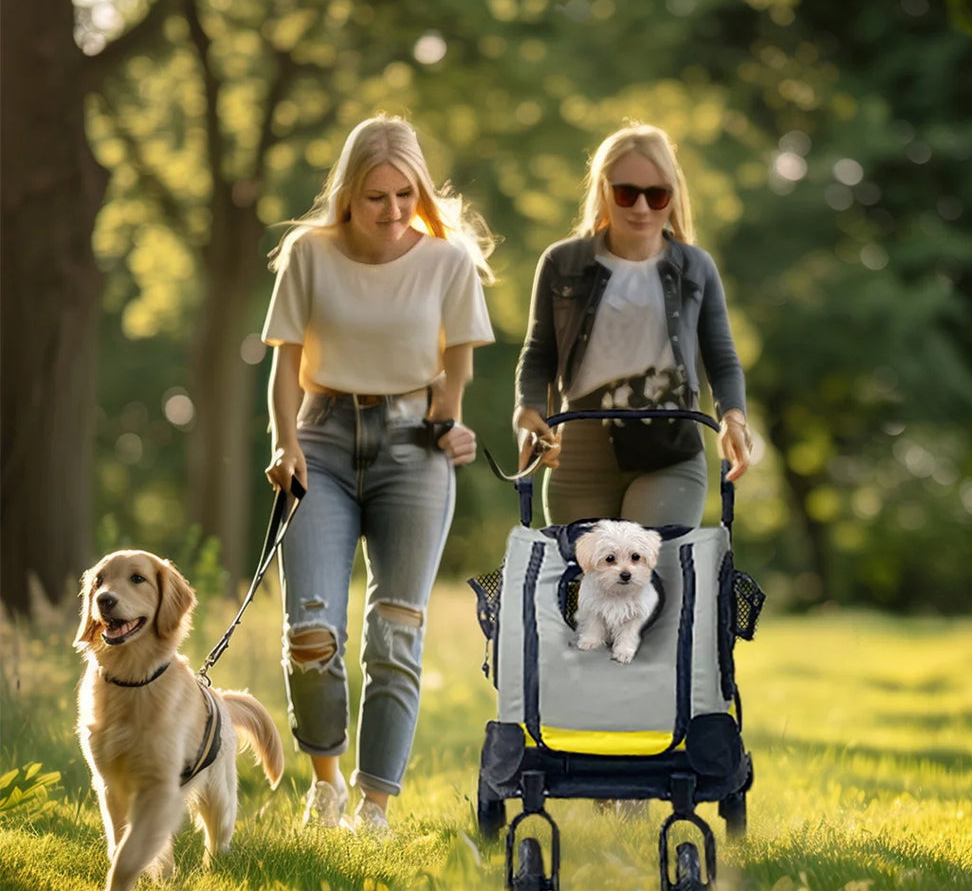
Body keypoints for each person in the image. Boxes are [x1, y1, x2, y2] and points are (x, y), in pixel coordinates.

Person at [261, 114, 495, 833]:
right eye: (375, 197)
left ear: (419, 190)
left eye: (405, 195)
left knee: (396, 632)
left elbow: (458, 359)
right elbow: (284, 365)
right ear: (348, 197)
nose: (392, 212)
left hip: (412, 452)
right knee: (311, 633)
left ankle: (375, 805)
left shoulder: (447, 263)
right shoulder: (310, 254)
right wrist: (284, 443)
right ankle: (325, 782)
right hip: (321, 442)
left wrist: (450, 419)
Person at [514, 121, 751, 531]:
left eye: (656, 195)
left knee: (642, 575)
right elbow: (538, 353)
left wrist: (734, 418)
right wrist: (528, 412)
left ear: (673, 197)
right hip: (582, 444)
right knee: (586, 583)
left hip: (671, 445)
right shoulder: (561, 263)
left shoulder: (696, 267)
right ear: (604, 191)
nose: (641, 208)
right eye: (627, 193)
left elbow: (722, 358)